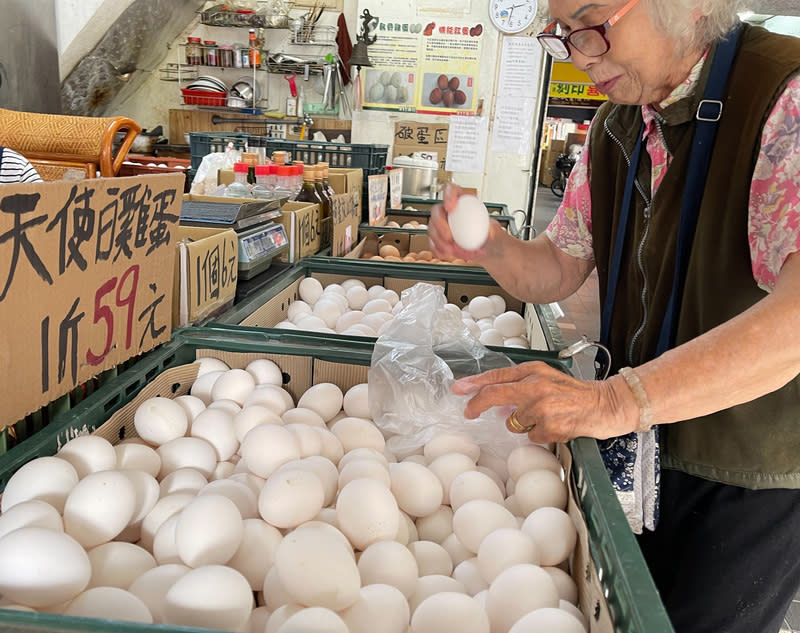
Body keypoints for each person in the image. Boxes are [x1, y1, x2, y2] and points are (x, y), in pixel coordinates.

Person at [428, 1, 800, 632]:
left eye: (592, 22)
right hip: (644, 448)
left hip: (745, 469)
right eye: (565, 35)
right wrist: (487, 245)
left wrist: (612, 403)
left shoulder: (783, 99)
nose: (580, 53)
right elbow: (557, 268)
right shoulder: (618, 127)